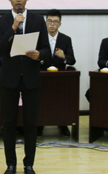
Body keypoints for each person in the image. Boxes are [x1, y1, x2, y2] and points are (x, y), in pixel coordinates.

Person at [0, 0, 51, 174]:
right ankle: (10, 164)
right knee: (9, 123)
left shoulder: (37, 20)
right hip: (9, 79)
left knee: (31, 124)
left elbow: (46, 49)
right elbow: (0, 48)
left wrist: (39, 54)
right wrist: (13, 27)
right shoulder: (1, 21)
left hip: (31, 78)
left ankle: (29, 164)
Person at [39, 9, 76, 137]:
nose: (52, 24)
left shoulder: (66, 39)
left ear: (59, 24)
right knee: (41, 101)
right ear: (45, 22)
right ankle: (40, 124)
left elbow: (72, 60)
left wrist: (64, 56)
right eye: (49, 21)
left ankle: (62, 123)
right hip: (42, 77)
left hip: (60, 78)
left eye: (55, 22)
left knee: (61, 100)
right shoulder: (39, 38)